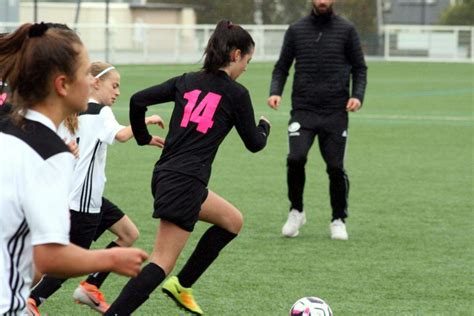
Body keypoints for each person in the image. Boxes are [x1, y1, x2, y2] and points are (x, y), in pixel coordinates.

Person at [104, 20, 271, 316]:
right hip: (185, 182)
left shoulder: (186, 81)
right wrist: (264, 127)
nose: (247, 66)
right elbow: (255, 144)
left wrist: (142, 138)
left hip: (167, 175)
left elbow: (138, 100)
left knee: (232, 221)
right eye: (248, 59)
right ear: (235, 55)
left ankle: (183, 285)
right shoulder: (236, 94)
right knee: (160, 262)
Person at [0, 22, 148, 316]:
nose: (91, 81)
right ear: (62, 84)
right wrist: (110, 260)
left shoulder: (11, 128)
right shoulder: (50, 153)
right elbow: (49, 257)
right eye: (85, 73)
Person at [27, 62, 165, 315]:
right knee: (70, 262)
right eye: (114, 85)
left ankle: (90, 286)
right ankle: (32, 299)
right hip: (82, 201)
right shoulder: (100, 112)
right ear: (95, 83)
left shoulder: (74, 111)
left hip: (84, 196)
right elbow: (121, 135)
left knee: (128, 233)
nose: (118, 92)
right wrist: (146, 121)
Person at [268, 0, 367, 240]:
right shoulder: (296, 30)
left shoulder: (347, 30)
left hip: (335, 111)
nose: (322, 1)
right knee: (295, 158)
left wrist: (357, 96)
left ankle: (338, 219)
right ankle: (296, 210)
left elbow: (359, 68)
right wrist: (275, 90)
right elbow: (282, 66)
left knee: (335, 167)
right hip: (303, 110)